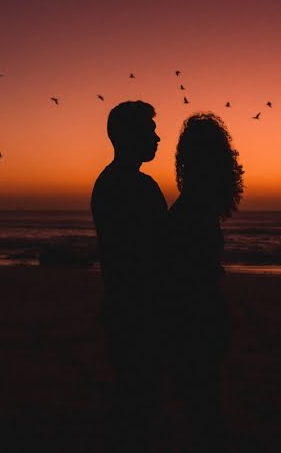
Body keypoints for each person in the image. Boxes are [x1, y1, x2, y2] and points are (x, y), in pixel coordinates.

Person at [164, 112, 244, 452]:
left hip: (193, 315)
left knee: (201, 400)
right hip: (205, 312)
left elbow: (181, 270)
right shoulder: (204, 207)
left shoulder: (192, 208)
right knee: (205, 399)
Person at [90, 100, 167, 451]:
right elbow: (156, 252)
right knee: (140, 399)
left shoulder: (106, 183)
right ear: (129, 135)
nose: (157, 138)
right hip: (141, 309)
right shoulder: (138, 188)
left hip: (122, 305)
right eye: (150, 131)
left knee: (131, 394)